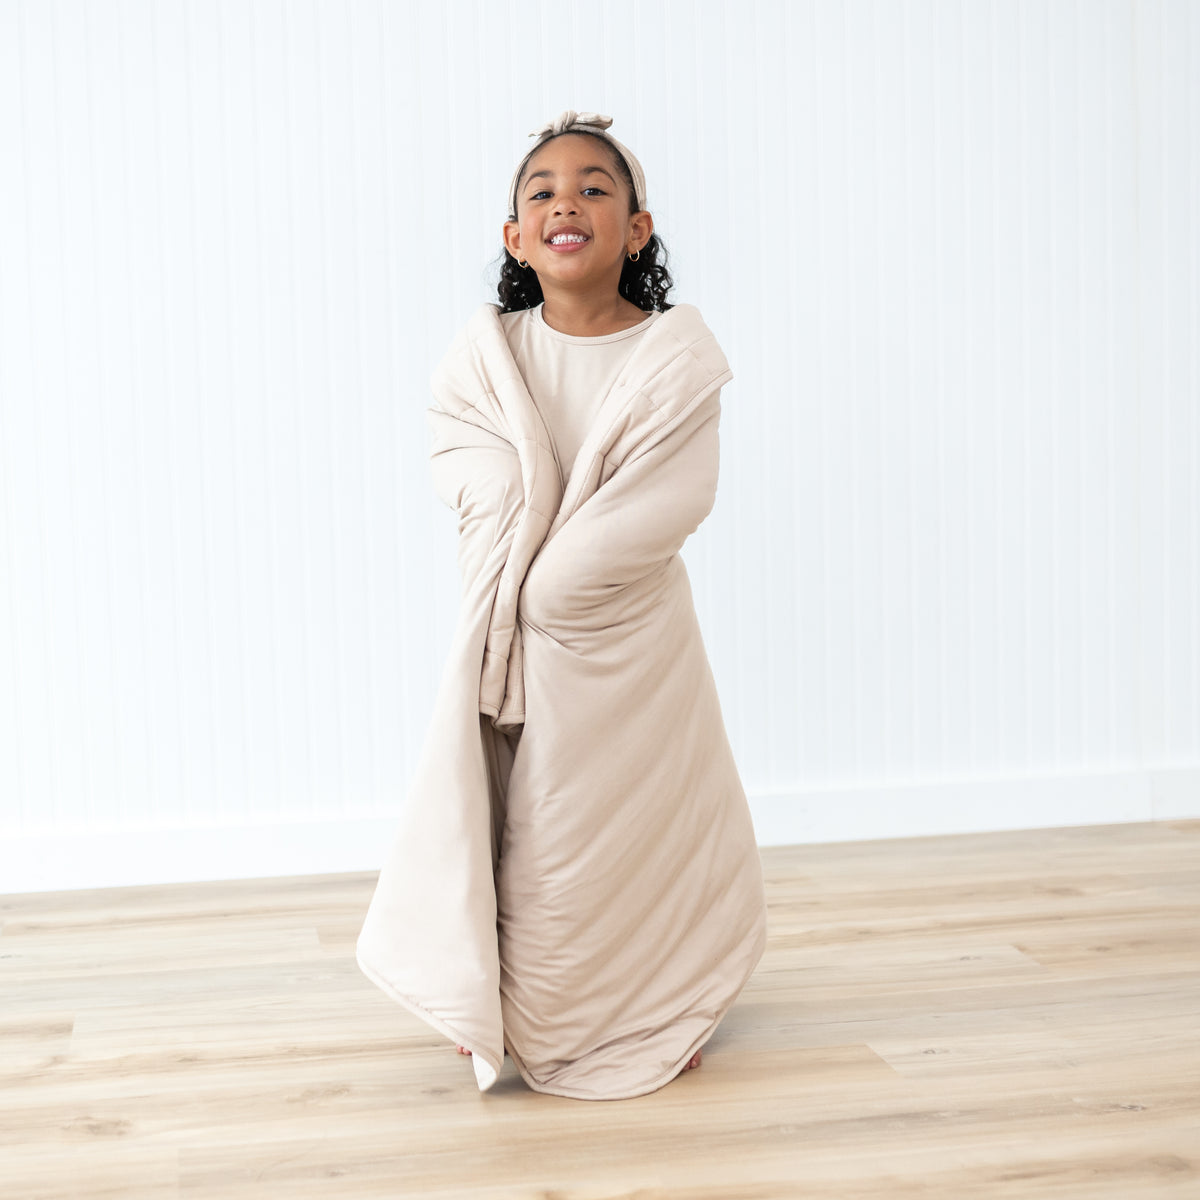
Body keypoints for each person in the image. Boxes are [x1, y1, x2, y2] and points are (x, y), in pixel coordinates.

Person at [357, 111, 766, 1101]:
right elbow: (466, 460)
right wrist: (519, 556)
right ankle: (498, 994)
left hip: (625, 643)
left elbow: (673, 490)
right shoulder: (486, 358)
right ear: (514, 238)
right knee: (519, 826)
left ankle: (659, 1001)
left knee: (623, 824)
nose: (565, 202)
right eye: (539, 191)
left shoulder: (674, 359)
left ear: (637, 228)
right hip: (511, 648)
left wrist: (558, 588)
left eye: (593, 187)